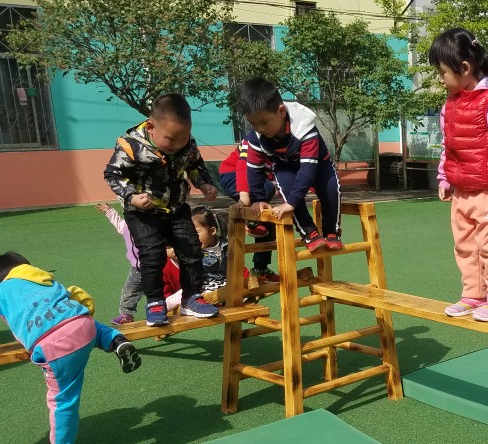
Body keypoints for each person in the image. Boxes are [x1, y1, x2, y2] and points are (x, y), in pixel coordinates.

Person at [0, 252, 143, 444]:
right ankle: (115, 340)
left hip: (54, 345)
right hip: (82, 324)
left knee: (62, 398)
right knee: (80, 320)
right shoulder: (42, 278)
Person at [430, 27, 488, 323]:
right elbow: (448, 145)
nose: (440, 79)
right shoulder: (450, 105)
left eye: (442, 73)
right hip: (462, 191)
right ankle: (473, 294)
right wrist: (445, 177)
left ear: (464, 68)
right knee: (465, 246)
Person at [104, 93, 220, 326]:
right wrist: (132, 197)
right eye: (171, 139)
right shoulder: (131, 145)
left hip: (176, 208)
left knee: (191, 249)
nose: (178, 144)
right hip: (143, 212)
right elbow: (113, 174)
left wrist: (204, 183)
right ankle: (155, 302)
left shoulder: (186, 143)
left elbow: (195, 164)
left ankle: (191, 297)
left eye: (184, 137)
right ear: (151, 127)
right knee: (153, 255)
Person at [237, 77, 343, 254]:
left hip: (317, 164)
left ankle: (332, 232)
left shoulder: (304, 127)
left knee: (331, 187)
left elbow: (308, 169)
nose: (260, 129)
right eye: (253, 123)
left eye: (264, 122)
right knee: (286, 187)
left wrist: (292, 202)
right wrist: (258, 199)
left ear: (281, 111)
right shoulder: (256, 136)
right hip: (285, 164)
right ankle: (309, 233)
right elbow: (254, 168)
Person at [218, 141, 281, 282]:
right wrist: (244, 198)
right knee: (267, 187)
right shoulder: (255, 140)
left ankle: (260, 269)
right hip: (232, 174)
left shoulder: (283, 148)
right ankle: (250, 222)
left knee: (268, 223)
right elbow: (243, 168)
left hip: (254, 181)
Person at [97, 202, 142, 326]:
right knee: (130, 289)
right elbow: (119, 223)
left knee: (159, 288)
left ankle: (164, 307)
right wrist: (109, 211)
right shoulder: (127, 226)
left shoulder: (147, 225)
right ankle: (126, 314)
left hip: (155, 264)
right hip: (137, 268)